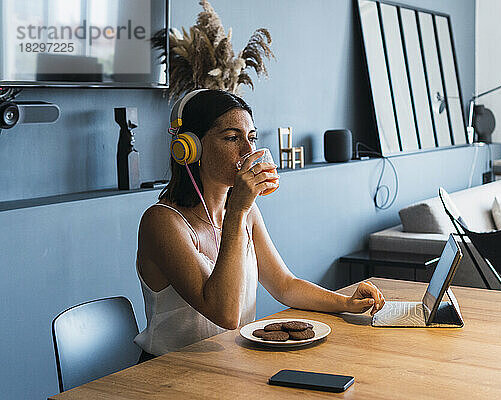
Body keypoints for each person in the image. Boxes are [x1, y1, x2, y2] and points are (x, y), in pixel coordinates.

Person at [134, 89, 386, 362]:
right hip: (166, 375)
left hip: (229, 365)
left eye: (251, 138)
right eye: (232, 138)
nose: (248, 151)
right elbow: (225, 314)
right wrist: (238, 212)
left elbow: (285, 285)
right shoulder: (162, 222)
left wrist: (346, 302)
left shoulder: (246, 211)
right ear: (190, 148)